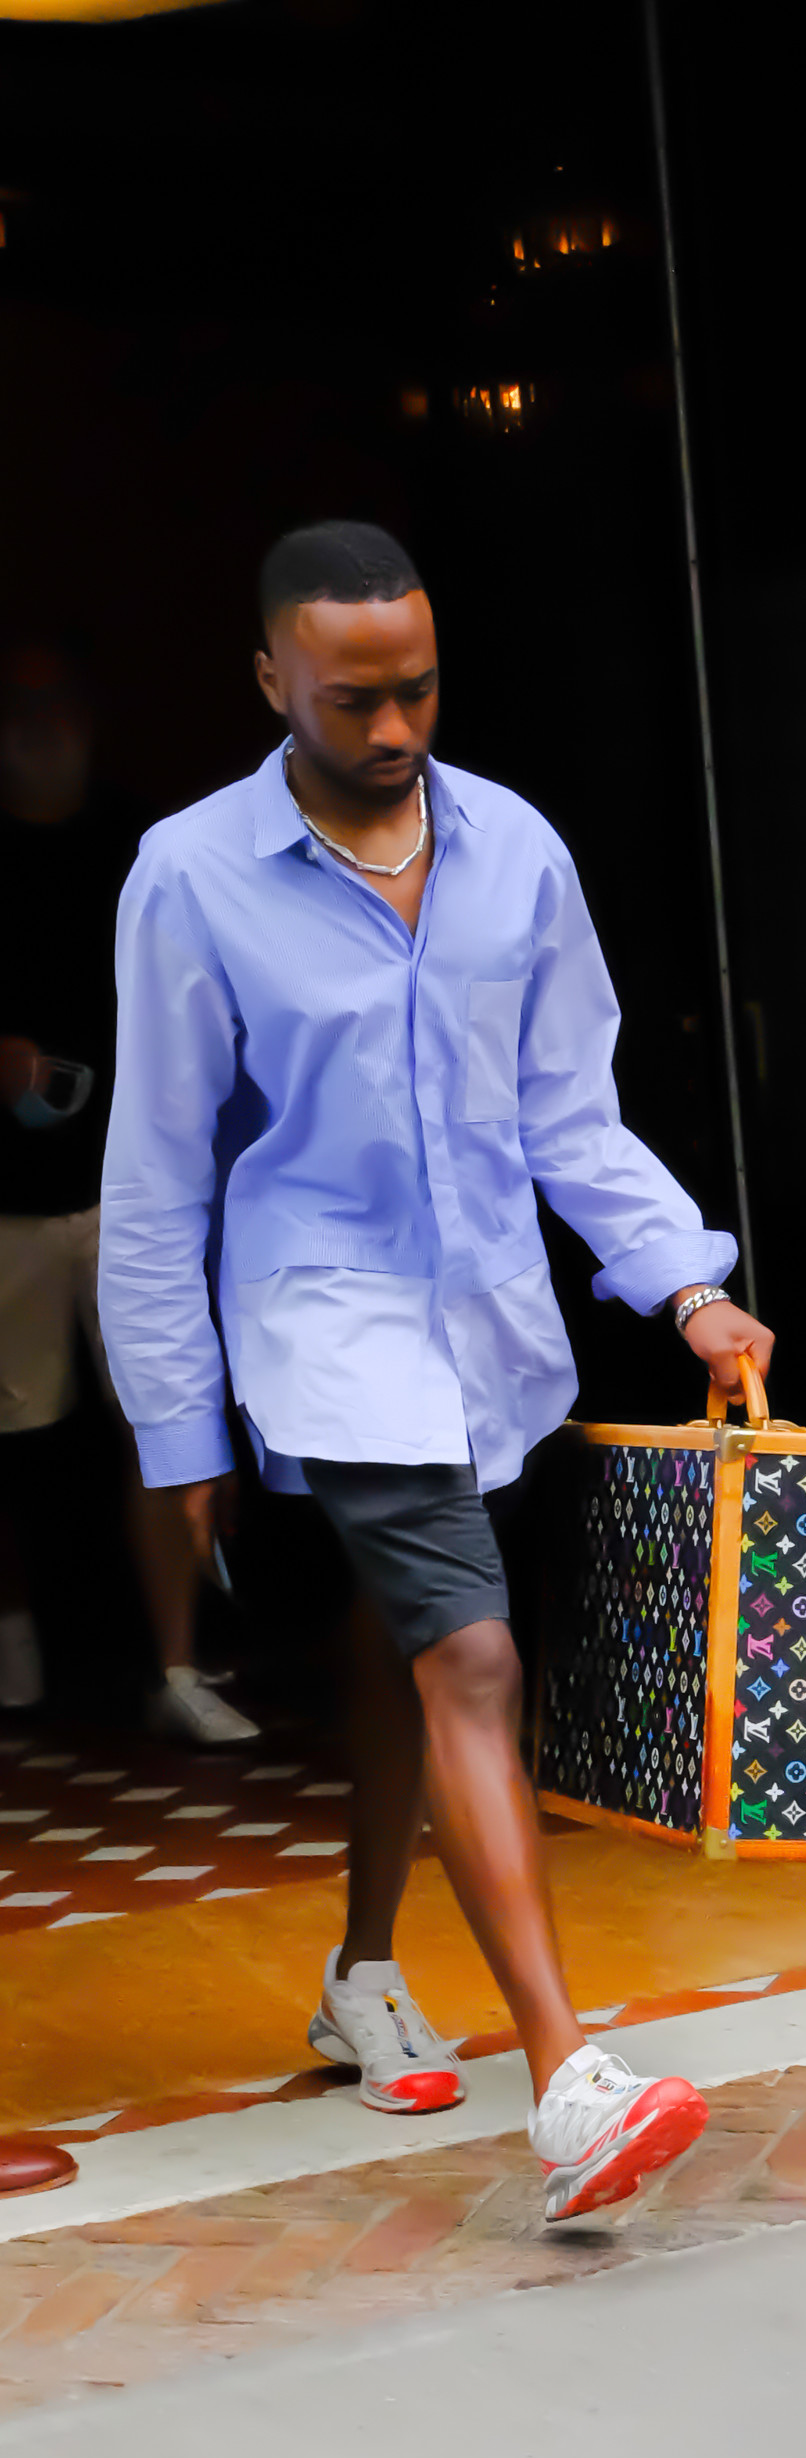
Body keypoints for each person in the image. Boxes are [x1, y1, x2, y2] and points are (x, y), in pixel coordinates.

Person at [98, 523, 771, 2225]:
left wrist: (688, 1287)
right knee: (471, 1652)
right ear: (272, 680)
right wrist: (176, 1417)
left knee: (404, 1644)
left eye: (418, 687)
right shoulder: (190, 874)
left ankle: (360, 1965)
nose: (395, 726)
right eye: (352, 697)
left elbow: (570, 1108)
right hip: (324, 1330)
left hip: (488, 1330)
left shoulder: (514, 848)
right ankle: (565, 2077)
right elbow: (159, 1167)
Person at [0, 641, 255, 1744]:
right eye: (16, 705)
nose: (38, 722)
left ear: (90, 714)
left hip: (134, 1191)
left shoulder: (144, 844)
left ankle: (180, 1664)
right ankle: (12, 1653)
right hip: (5, 1201)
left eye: (55, 700)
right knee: (9, 1441)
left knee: (174, 1420)